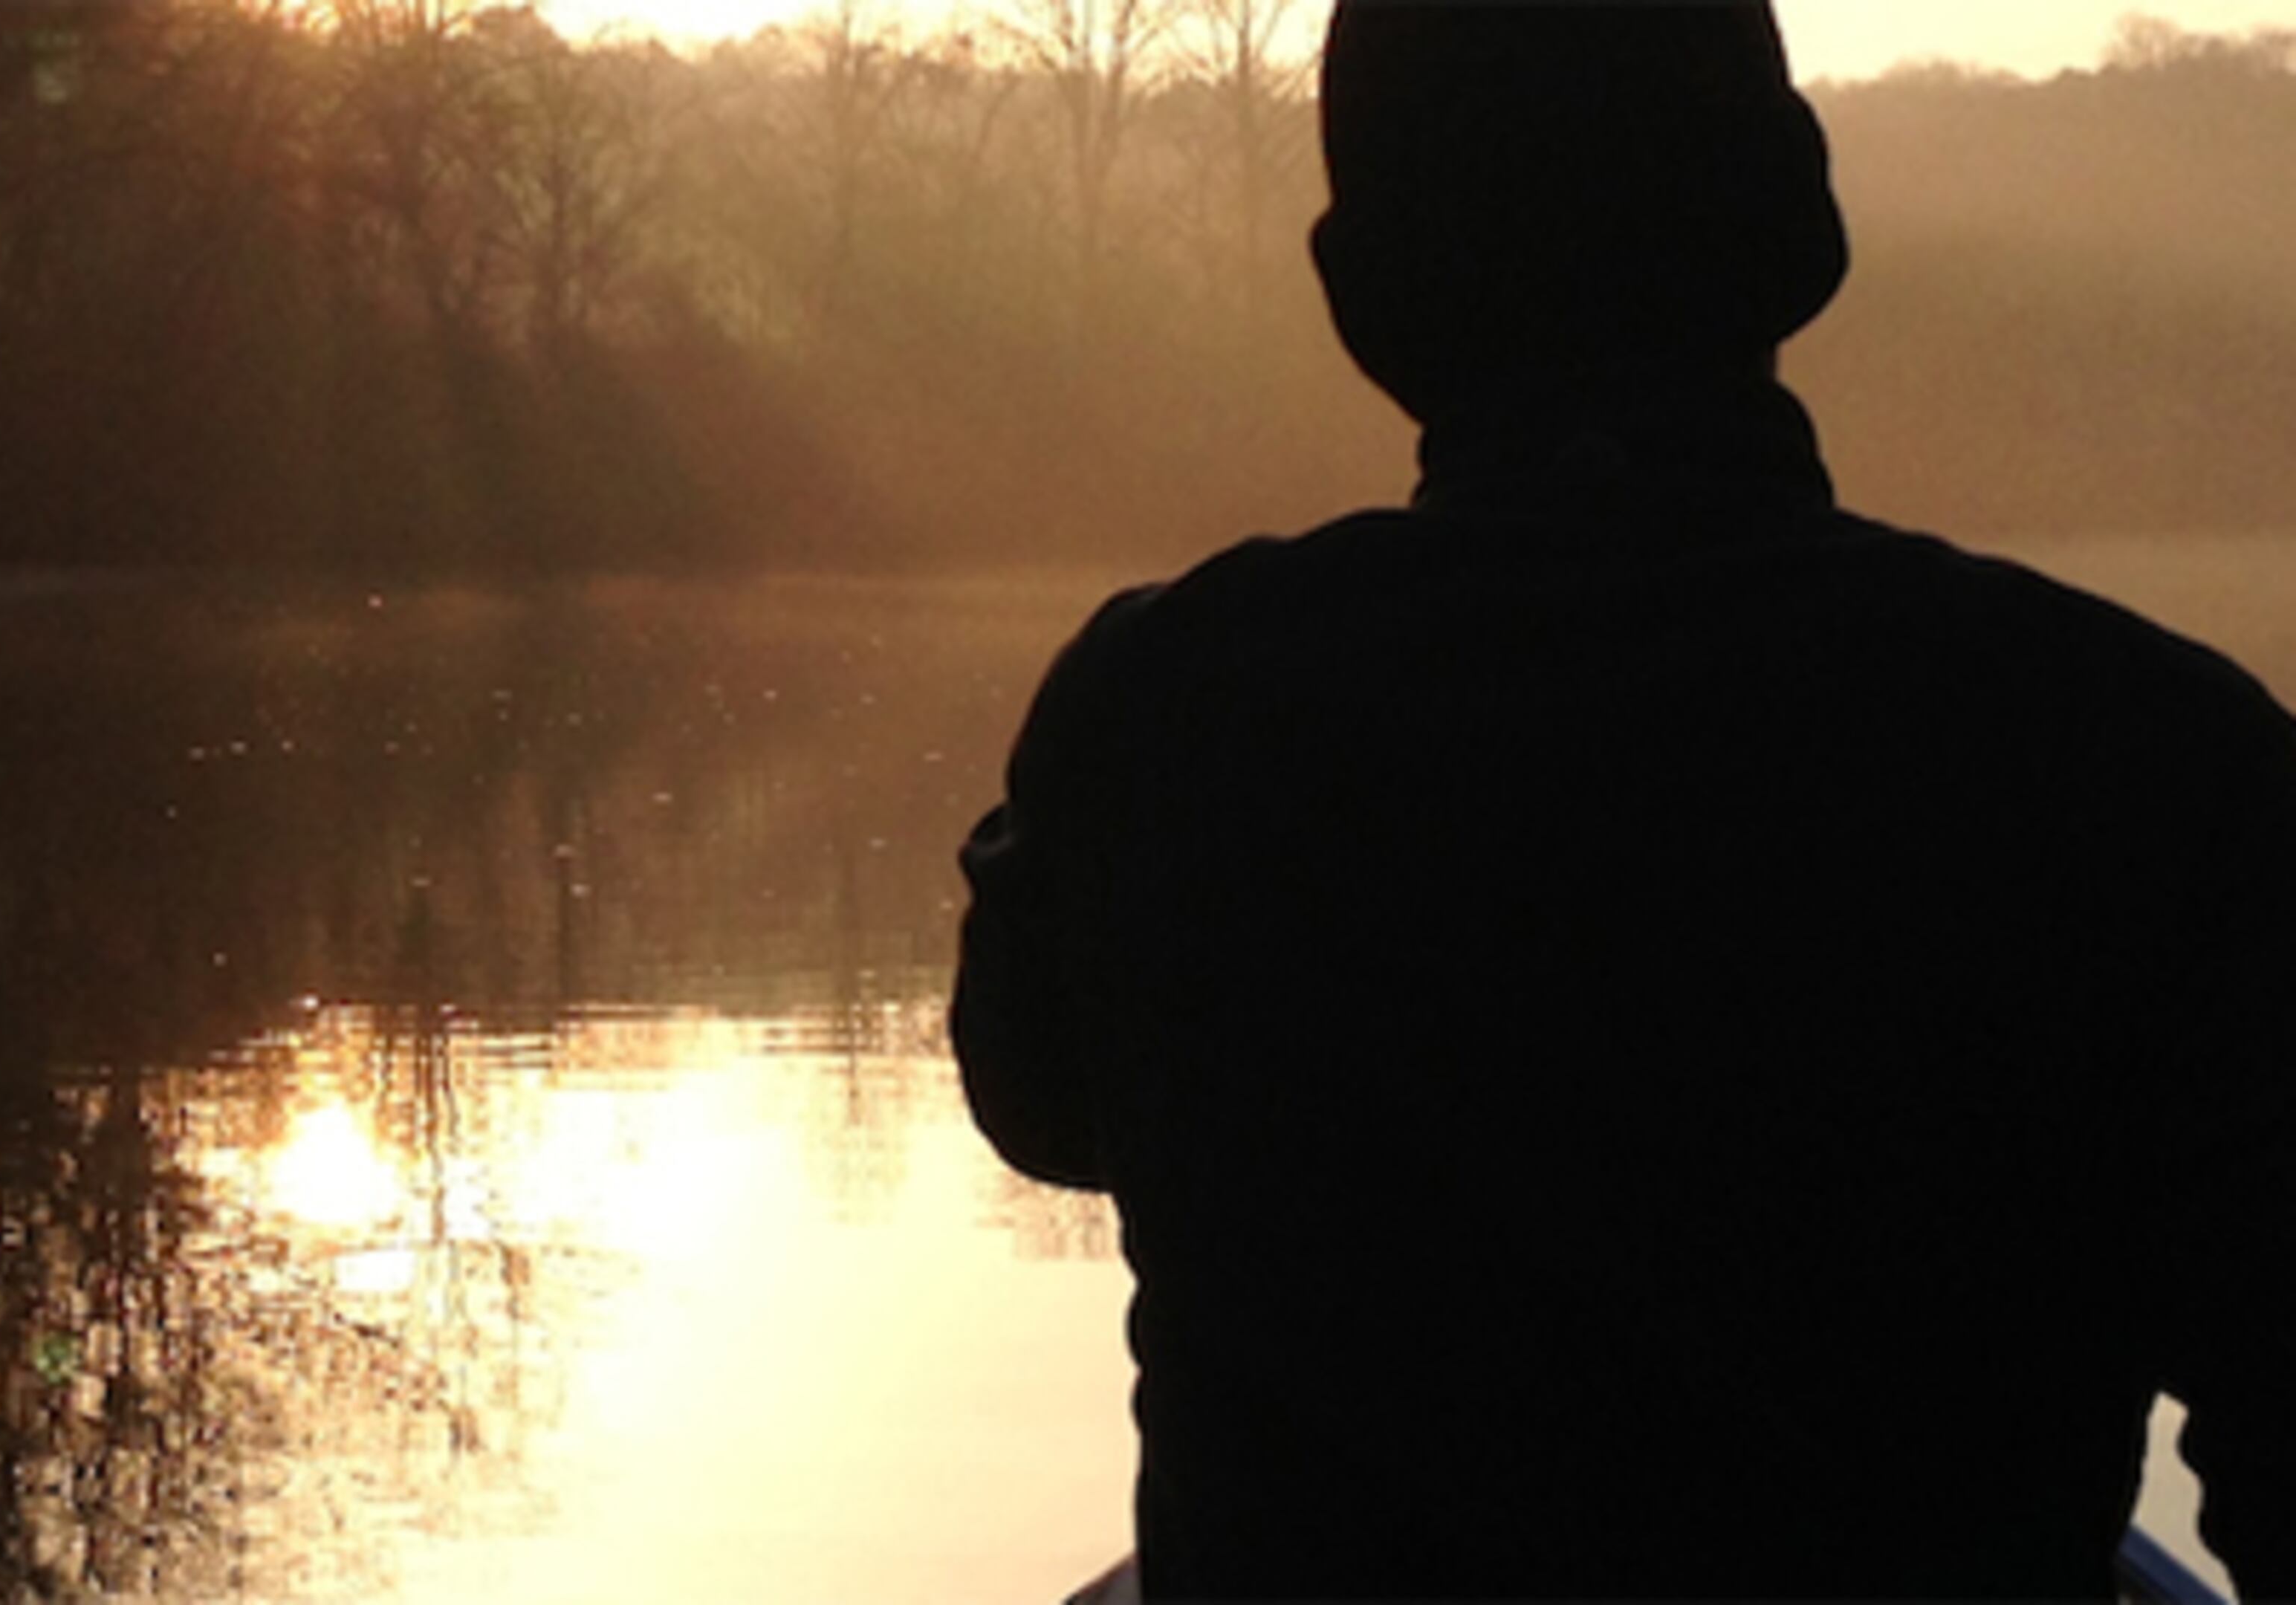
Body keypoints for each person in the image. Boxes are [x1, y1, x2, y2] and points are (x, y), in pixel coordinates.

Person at [950, 1, 2296, 1598]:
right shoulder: (2161, 755)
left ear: (1359, 292)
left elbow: (1042, 1108)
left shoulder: (1160, 718)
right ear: (1806, 218)